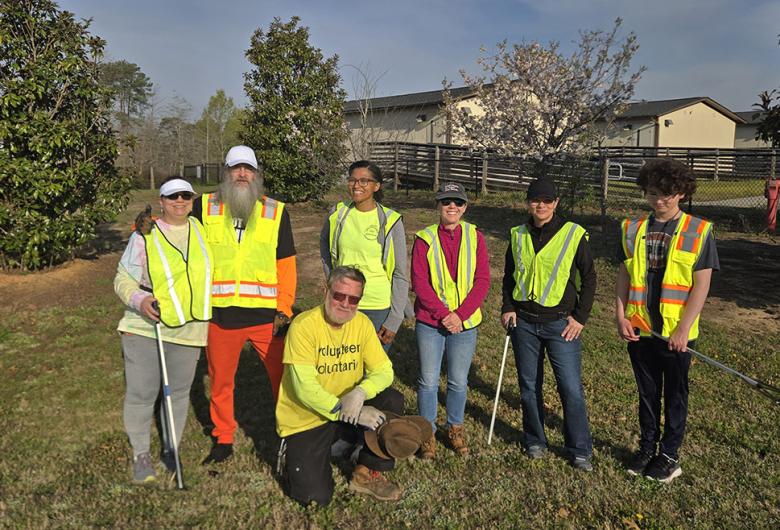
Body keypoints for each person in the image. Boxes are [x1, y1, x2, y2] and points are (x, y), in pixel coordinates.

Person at [615, 158, 718, 483]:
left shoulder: (698, 230)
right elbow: (624, 274)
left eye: (667, 195)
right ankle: (647, 448)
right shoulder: (633, 229)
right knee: (647, 393)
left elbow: (701, 284)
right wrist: (620, 315)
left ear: (681, 194)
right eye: (652, 194)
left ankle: (669, 455)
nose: (659, 201)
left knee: (675, 395)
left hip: (676, 334)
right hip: (641, 329)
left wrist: (683, 329)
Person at [193, 145, 297, 464]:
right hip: (220, 315)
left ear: (256, 174)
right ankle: (223, 437)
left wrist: (285, 308)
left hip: (266, 318)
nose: (242, 174)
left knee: (285, 376)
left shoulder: (275, 211)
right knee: (221, 381)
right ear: (225, 172)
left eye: (248, 169)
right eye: (236, 168)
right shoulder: (203, 207)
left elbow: (286, 263)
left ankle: (292, 430)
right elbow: (178, 238)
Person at [275, 267, 406, 506]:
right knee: (315, 497)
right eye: (339, 295)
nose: (345, 304)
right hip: (308, 416)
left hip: (347, 406)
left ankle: (365, 471)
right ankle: (298, 450)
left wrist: (360, 392)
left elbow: (384, 370)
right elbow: (304, 389)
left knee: (391, 400)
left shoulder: (362, 324)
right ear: (325, 291)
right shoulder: (303, 326)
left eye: (353, 299)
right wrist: (346, 411)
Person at [115, 177, 213, 483]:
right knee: (143, 393)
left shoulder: (201, 230)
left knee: (178, 394)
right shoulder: (145, 236)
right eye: (173, 197)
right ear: (162, 201)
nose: (180, 201)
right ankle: (141, 454)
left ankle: (171, 449)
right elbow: (122, 279)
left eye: (186, 196)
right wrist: (141, 300)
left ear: (193, 200)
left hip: (190, 328)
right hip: (146, 326)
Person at [501, 177, 597, 470]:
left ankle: (579, 448)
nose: (540, 205)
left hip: (560, 324)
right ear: (528, 203)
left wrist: (580, 318)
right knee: (529, 386)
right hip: (525, 324)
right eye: (534, 200)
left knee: (570, 387)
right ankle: (535, 440)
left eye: (546, 201)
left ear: (555, 203)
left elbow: (590, 277)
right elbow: (509, 276)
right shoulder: (517, 234)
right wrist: (508, 307)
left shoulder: (572, 234)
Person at [411, 182, 490, 458]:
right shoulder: (424, 239)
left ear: (465, 207)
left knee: (458, 380)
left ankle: (455, 428)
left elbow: (482, 281)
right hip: (431, 322)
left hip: (464, 324)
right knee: (428, 381)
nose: (452, 207)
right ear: (438, 206)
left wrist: (460, 316)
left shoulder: (475, 236)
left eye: (457, 202)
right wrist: (445, 315)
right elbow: (420, 283)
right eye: (446, 202)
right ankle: (427, 433)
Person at [320, 161, 408, 351]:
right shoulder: (337, 213)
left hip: (377, 306)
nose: (356, 185)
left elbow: (400, 273)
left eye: (364, 181)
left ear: (376, 186)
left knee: (373, 372)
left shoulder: (391, 221)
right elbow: (325, 249)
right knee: (341, 367)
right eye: (352, 180)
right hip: (342, 302)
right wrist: (331, 282)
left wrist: (395, 318)